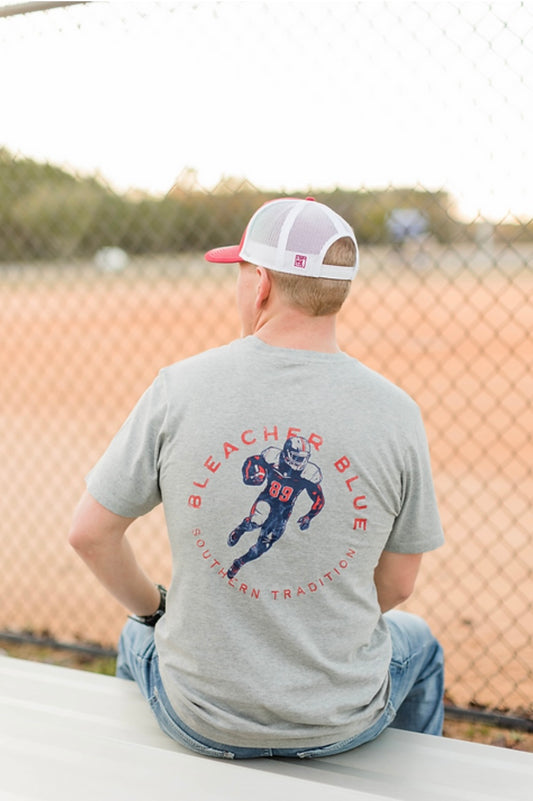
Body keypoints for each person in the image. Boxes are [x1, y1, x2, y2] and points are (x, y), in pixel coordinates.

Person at [68, 196, 445, 760]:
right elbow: (397, 587)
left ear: (262, 285)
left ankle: (138, 771)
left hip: (197, 714)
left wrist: (155, 611)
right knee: (421, 644)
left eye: (240, 273)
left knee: (136, 633)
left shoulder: (180, 387)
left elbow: (89, 534)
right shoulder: (396, 412)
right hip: (339, 719)